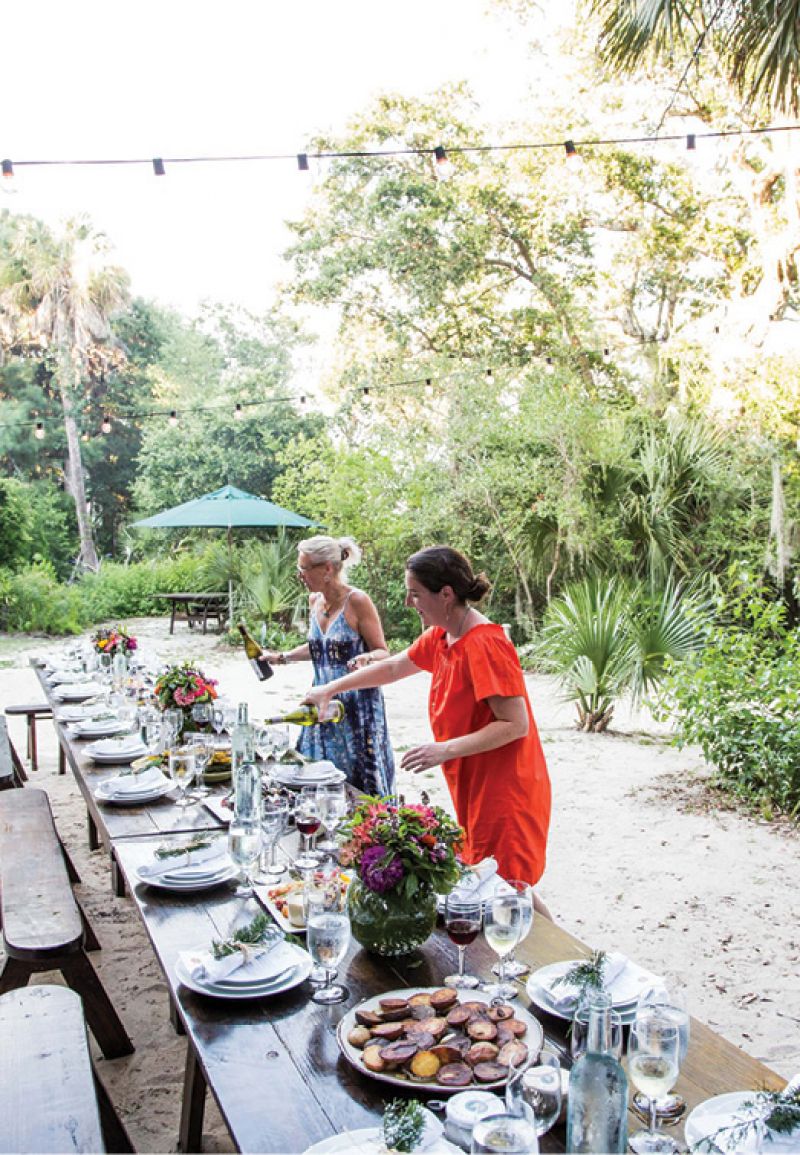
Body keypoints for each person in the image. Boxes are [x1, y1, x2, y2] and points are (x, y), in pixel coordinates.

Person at [303, 545, 552, 897]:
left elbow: (515, 724)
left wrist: (443, 750)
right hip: (472, 779)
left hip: (505, 786)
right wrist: (329, 688)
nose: (409, 603)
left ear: (446, 595)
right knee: (498, 884)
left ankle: (566, 954)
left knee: (506, 887)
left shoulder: (485, 643)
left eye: (415, 594)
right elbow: (391, 667)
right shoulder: (441, 636)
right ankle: (572, 955)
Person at [263, 534, 395, 796]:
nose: (299, 574)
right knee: (316, 778)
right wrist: (282, 657)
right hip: (321, 700)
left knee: (357, 784)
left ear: (327, 568)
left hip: (356, 704)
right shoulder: (315, 601)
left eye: (304, 567)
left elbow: (383, 652)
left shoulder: (357, 601)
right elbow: (320, 648)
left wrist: (367, 658)